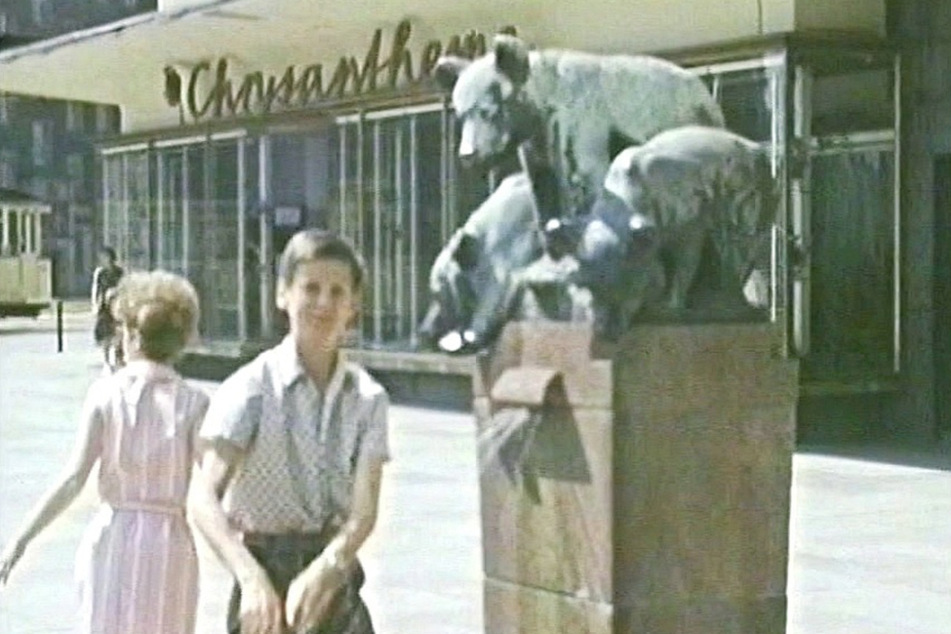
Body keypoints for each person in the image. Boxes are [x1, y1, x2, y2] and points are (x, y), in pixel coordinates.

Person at [189, 229, 390, 634]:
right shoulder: (252, 388)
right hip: (264, 568)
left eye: (337, 292)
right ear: (283, 295)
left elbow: (364, 513)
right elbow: (202, 496)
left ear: (354, 305)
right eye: (310, 288)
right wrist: (249, 578)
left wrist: (329, 569)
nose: (323, 303)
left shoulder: (368, 398)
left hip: (331, 570)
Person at [0, 270, 208, 634]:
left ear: (129, 334)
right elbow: (215, 487)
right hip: (170, 543)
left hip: (114, 535)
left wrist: (20, 542)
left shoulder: (105, 394)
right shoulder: (195, 403)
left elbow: (73, 478)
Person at [91, 246, 125, 369]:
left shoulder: (119, 272)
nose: (103, 258)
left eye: (105, 256)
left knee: (117, 332)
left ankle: (117, 357)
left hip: (116, 304)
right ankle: (106, 361)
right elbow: (96, 289)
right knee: (105, 333)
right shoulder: (100, 272)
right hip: (104, 305)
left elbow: (123, 287)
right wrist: (95, 304)